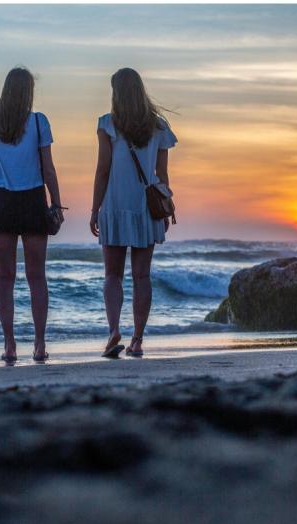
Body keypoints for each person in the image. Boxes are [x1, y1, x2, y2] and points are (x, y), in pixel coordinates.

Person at [0, 67, 64, 363]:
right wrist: (57, 202)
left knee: (5, 278)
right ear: (28, 92)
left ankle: (10, 344)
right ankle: (39, 344)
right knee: (36, 277)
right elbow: (48, 168)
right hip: (32, 200)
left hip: (1, 201)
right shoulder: (39, 122)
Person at [90, 67, 177, 358]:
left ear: (116, 93)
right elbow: (162, 175)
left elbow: (103, 171)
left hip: (115, 205)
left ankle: (114, 330)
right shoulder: (159, 126)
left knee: (112, 275)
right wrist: (164, 206)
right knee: (142, 276)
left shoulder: (107, 124)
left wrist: (94, 209)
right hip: (145, 209)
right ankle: (137, 339)